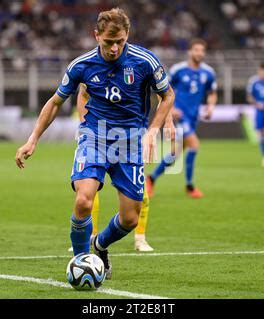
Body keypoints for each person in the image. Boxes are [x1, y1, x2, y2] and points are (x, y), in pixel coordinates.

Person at [15, 8, 175, 279]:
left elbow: (167, 95)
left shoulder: (145, 61)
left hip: (130, 142)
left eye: (120, 42)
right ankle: (80, 262)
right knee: (84, 201)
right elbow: (55, 102)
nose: (114, 48)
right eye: (108, 42)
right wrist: (32, 139)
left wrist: (152, 132)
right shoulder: (82, 65)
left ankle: (99, 245)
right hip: (94, 137)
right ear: (96, 35)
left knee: (130, 219)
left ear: (127, 36)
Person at [74, 83, 155, 252]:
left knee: (140, 198)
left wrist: (163, 125)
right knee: (87, 193)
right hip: (98, 139)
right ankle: (90, 236)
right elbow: (82, 94)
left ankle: (140, 239)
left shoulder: (142, 66)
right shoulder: (92, 68)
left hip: (131, 140)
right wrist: (84, 123)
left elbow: (165, 95)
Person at [146, 39, 217, 199]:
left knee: (176, 153)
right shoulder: (179, 70)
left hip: (193, 117)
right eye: (196, 50)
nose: (199, 53)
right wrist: (172, 109)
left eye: (201, 50)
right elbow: (163, 90)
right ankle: (190, 186)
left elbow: (212, 93)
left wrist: (211, 107)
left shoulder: (208, 72)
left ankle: (151, 178)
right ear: (190, 52)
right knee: (194, 145)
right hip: (180, 115)